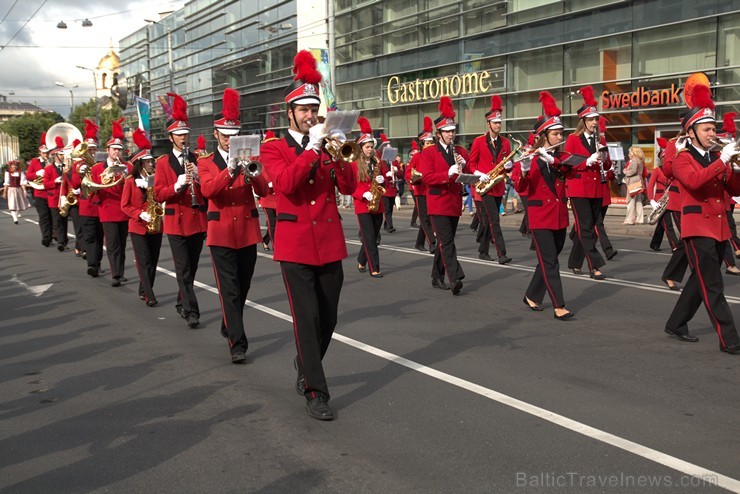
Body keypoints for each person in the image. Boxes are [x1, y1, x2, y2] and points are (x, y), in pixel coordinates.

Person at [261, 50, 357, 420]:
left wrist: (339, 152)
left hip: (330, 243)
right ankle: (316, 391)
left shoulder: (327, 143)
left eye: (314, 109)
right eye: (303, 110)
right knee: (306, 318)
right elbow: (284, 184)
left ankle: (306, 361)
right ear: (290, 113)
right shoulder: (274, 148)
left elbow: (347, 186)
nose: (310, 115)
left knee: (328, 318)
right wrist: (313, 149)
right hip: (296, 244)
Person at [663, 84, 740, 353]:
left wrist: (736, 168)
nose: (712, 133)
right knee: (714, 286)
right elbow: (694, 183)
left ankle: (675, 323)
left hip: (718, 228)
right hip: (697, 229)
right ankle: (729, 339)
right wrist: (722, 162)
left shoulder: (718, 156)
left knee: (700, 281)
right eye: (706, 129)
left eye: (713, 128)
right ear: (692, 131)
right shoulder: (682, 158)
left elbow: (735, 191)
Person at [199, 88, 270, 363]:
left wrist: (251, 171)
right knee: (228, 289)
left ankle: (229, 323)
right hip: (221, 233)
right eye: (225, 136)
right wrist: (230, 170)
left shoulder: (250, 157)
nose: (230, 140)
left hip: (247, 232)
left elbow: (264, 191)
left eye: (234, 136)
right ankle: (238, 344)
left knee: (243, 286)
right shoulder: (206, 162)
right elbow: (208, 191)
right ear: (216, 134)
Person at [512, 91, 575, 320]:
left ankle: (532, 295)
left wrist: (555, 161)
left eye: (561, 133)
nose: (560, 137)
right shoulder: (528, 157)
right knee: (551, 262)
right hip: (540, 217)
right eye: (556, 134)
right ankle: (559, 305)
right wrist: (526, 169)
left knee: (548, 258)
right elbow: (520, 186)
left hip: (558, 216)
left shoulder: (561, 156)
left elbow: (572, 170)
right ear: (544, 136)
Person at [154, 92, 207, 329]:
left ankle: (181, 301)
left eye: (186, 134)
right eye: (179, 134)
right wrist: (177, 185)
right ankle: (191, 310)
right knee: (183, 268)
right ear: (170, 137)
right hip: (176, 222)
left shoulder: (198, 159)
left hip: (196, 220)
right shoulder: (163, 163)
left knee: (191, 268)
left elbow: (207, 193)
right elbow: (158, 194)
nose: (184, 138)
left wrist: (198, 177)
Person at [419, 96, 470, 295]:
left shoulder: (458, 151)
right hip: (438, 204)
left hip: (454, 203)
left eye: (453, 130)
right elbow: (427, 178)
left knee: (443, 242)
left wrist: (465, 168)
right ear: (439, 133)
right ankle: (455, 277)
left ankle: (436, 275)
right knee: (447, 241)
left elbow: (465, 173)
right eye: (447, 131)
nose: (451, 134)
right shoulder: (429, 153)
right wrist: (446, 174)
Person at [565, 85, 609, 280]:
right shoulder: (573, 139)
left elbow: (606, 162)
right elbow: (567, 163)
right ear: (583, 121)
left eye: (596, 119)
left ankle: (575, 261)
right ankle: (594, 265)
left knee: (588, 227)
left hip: (596, 189)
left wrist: (605, 156)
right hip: (578, 188)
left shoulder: (600, 140)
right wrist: (587, 161)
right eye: (591, 119)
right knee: (585, 228)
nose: (594, 122)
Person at [121, 128, 163, 307]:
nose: (151, 164)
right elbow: (125, 205)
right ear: (139, 164)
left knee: (153, 261)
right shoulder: (130, 181)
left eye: (151, 161)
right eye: (147, 162)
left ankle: (143, 288)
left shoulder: (155, 178)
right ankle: (149, 295)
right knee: (144, 262)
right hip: (138, 226)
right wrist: (140, 214)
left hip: (155, 225)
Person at [468, 95, 512, 264]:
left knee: (487, 221)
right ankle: (502, 253)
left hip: (498, 186)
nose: (498, 125)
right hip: (484, 185)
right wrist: (479, 173)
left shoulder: (506, 142)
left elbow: (507, 162)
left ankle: (483, 250)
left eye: (499, 122)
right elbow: (471, 163)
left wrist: (509, 167)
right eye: (495, 123)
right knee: (494, 219)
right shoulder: (478, 141)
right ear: (488, 124)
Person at [91, 118, 132, 286]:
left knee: (122, 244)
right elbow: (92, 188)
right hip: (107, 209)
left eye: (119, 150)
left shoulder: (127, 166)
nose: (116, 152)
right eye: (114, 149)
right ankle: (115, 274)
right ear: (107, 150)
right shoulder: (97, 168)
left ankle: (120, 272)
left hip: (123, 209)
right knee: (113, 243)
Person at [351, 117, 386, 278]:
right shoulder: (353, 163)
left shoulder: (377, 161)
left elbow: (386, 179)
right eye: (367, 147)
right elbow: (349, 186)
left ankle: (361, 259)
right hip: (362, 204)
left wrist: (383, 179)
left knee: (372, 235)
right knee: (371, 238)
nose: (371, 150)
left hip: (377, 204)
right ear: (360, 147)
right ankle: (375, 268)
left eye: (372, 147)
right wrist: (362, 193)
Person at [73, 119, 105, 277]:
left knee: (99, 238)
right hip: (86, 207)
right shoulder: (78, 165)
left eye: (93, 149)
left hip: (100, 206)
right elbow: (74, 185)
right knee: (90, 237)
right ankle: (92, 265)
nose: (91, 152)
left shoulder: (102, 164)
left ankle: (97, 263)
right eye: (89, 149)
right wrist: (79, 174)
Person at [410, 118, 436, 253]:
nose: (430, 145)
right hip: (420, 191)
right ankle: (432, 242)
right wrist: (416, 177)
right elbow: (409, 172)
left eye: (432, 143)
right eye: (427, 143)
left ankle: (419, 243)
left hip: (431, 190)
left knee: (428, 217)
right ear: (421, 144)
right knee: (425, 217)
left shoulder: (435, 155)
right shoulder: (417, 156)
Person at [647, 138, 678, 252]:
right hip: (659, 201)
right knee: (667, 223)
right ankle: (675, 245)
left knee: (663, 223)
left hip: (671, 198)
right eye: (664, 158)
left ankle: (655, 243)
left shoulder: (673, 170)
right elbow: (650, 186)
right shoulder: (657, 170)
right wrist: (651, 201)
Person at [26, 133, 53, 246]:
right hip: (39, 193)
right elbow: (28, 176)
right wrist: (37, 173)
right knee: (44, 216)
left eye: (47, 153)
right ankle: (46, 237)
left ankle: (52, 234)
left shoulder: (51, 162)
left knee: (52, 216)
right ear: (40, 153)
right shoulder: (34, 162)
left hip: (51, 193)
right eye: (43, 153)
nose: (45, 155)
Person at [43, 137, 69, 252]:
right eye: (60, 154)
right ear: (55, 156)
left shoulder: (67, 167)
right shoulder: (48, 169)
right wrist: (55, 181)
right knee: (57, 220)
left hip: (64, 197)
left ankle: (64, 239)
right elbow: (45, 184)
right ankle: (61, 241)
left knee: (64, 219)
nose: (63, 156)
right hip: (54, 199)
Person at [259, 131, 279, 252]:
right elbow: (260, 173)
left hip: (278, 196)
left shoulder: (277, 157)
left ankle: (266, 240)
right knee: (272, 224)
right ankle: (276, 246)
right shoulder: (261, 158)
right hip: (267, 196)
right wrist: (268, 182)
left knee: (279, 223)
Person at [377, 134, 400, 233]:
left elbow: (400, 174)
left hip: (393, 188)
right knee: (387, 209)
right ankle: (390, 226)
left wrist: (396, 170)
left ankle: (386, 224)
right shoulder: (381, 162)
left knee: (390, 207)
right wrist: (386, 175)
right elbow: (379, 176)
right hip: (385, 188)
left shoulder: (394, 161)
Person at [623, 146, 646, 225]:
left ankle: (629, 220)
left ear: (634, 152)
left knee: (631, 201)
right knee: (638, 201)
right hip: (639, 181)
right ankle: (640, 219)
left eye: (630, 152)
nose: (629, 154)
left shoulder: (634, 160)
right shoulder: (640, 160)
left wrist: (625, 171)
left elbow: (632, 171)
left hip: (633, 182)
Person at [3, 159, 30, 223]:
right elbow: (6, 183)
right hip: (11, 190)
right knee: (12, 204)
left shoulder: (20, 173)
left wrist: (24, 191)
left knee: (18, 204)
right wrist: (4, 192)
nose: (14, 166)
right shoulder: (8, 173)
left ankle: (16, 215)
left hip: (18, 189)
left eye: (15, 165)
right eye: (13, 165)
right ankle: (15, 219)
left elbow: (22, 183)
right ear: (10, 166)